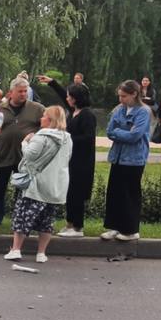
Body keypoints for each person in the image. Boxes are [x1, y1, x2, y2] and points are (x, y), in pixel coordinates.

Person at [3, 105, 72, 263]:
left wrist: (25, 143)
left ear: (50, 120)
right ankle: (41, 253)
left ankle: (16, 250)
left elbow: (30, 155)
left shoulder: (42, 136)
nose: (40, 119)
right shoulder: (67, 138)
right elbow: (67, 159)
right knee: (47, 221)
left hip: (37, 185)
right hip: (56, 186)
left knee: (23, 217)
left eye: (44, 116)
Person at [39, 75, 97, 237]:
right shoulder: (74, 111)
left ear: (77, 98)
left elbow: (88, 138)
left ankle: (77, 227)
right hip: (71, 159)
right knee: (70, 192)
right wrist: (52, 83)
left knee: (77, 193)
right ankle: (70, 223)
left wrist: (66, 137)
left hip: (82, 161)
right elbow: (63, 96)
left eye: (70, 96)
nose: (68, 98)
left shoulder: (87, 115)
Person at [0, 75, 45, 226]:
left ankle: (21, 218)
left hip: (24, 158)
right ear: (11, 92)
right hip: (3, 155)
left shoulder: (37, 109)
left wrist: (36, 137)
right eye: (20, 91)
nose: (23, 94)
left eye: (25, 91)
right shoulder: (0, 109)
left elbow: (46, 126)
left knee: (23, 190)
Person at [101, 80, 151, 242]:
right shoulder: (119, 110)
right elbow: (109, 131)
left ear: (134, 94)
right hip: (117, 157)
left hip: (134, 159)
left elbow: (135, 136)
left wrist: (119, 132)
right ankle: (115, 226)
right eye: (119, 96)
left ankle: (131, 230)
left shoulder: (143, 112)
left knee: (129, 194)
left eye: (124, 96)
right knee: (115, 193)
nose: (121, 99)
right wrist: (123, 132)